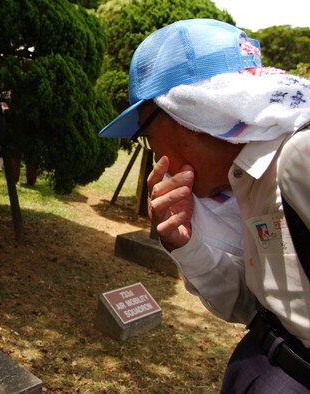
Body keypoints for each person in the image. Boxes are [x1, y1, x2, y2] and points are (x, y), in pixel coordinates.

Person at [98, 19, 310, 392]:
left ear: (191, 112)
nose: (156, 156)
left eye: (148, 137)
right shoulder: (248, 179)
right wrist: (188, 246)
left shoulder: (299, 158)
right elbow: (255, 307)